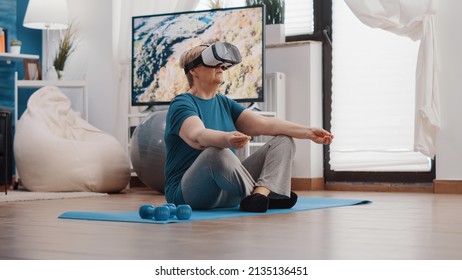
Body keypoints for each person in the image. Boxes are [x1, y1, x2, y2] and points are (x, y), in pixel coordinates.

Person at [164, 42, 333, 212]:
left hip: (230, 191)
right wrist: (227, 138)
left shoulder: (224, 103)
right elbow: (197, 136)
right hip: (189, 195)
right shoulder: (182, 103)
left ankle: (259, 196)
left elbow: (264, 124)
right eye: (212, 62)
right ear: (193, 70)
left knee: (284, 140)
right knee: (215, 152)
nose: (221, 67)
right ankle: (268, 194)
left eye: (222, 64)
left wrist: (308, 131)